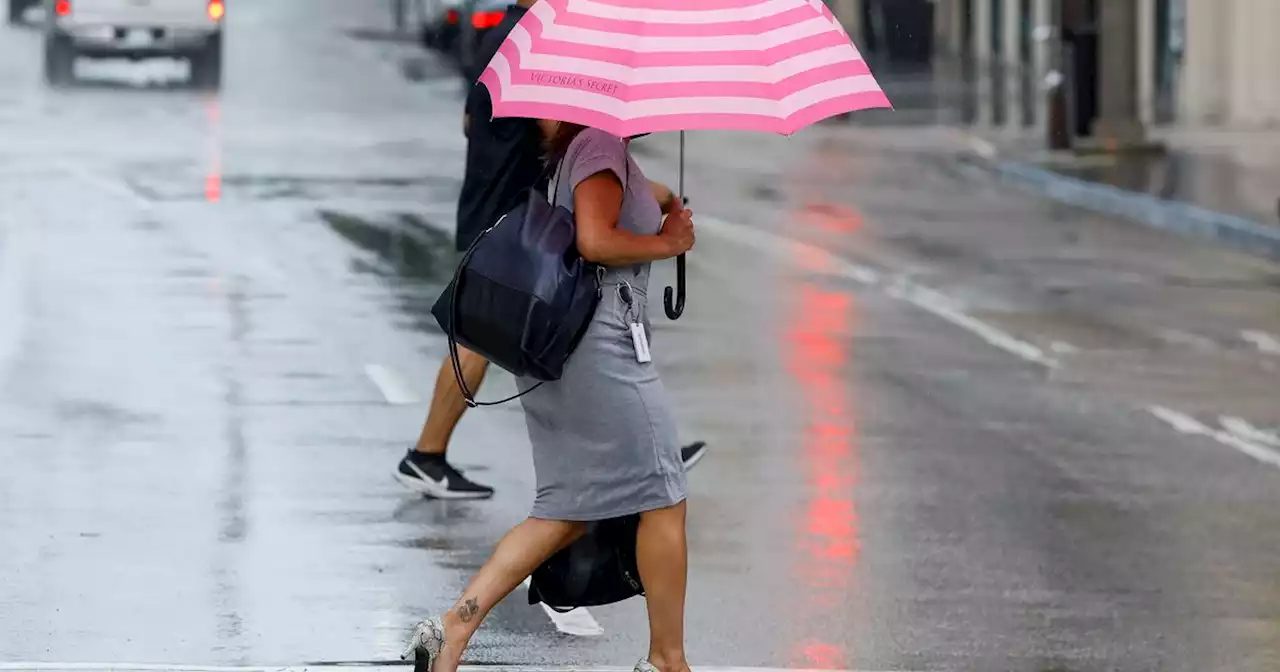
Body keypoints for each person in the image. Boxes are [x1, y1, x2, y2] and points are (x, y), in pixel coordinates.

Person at [403, 121, 696, 672]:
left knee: (565, 511)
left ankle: (450, 629)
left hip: (574, 348)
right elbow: (594, 240)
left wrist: (658, 201)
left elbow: (611, 208)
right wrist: (669, 242)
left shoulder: (592, 149)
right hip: (603, 351)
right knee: (663, 494)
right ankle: (666, 659)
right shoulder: (601, 145)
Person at [393, 0, 708, 500]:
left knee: (525, 334)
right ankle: (427, 453)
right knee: (486, 337)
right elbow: (560, 129)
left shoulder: (505, 35)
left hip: (500, 204)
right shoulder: (542, 39)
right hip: (514, 215)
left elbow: (470, 121)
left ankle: (640, 442)